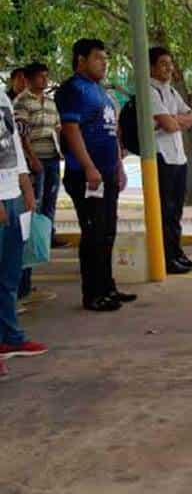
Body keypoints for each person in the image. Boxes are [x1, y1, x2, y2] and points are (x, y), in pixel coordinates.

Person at [56, 39, 136, 312]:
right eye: (98, 58)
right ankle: (92, 294)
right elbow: (71, 130)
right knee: (93, 233)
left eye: (105, 59)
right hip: (86, 175)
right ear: (81, 59)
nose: (104, 63)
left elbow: (110, 132)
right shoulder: (73, 89)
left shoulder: (100, 91)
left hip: (108, 173)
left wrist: (118, 165)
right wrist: (89, 166)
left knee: (107, 232)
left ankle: (107, 286)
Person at [0, 89, 48, 362]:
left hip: (13, 194)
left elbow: (13, 141)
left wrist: (25, 184)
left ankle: (10, 337)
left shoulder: (2, 96)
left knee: (9, 276)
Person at [148, 46, 192, 275]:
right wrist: (174, 121)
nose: (169, 68)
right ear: (151, 67)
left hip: (178, 157)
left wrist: (172, 120)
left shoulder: (170, 91)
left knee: (176, 211)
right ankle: (167, 257)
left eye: (170, 63)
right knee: (165, 211)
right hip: (162, 157)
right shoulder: (150, 92)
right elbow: (172, 125)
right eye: (163, 63)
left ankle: (177, 253)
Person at [13, 62, 62, 306]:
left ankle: (28, 283)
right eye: (40, 77)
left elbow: (58, 129)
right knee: (30, 219)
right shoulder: (22, 102)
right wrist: (32, 159)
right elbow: (20, 134)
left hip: (52, 159)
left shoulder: (51, 103)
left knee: (45, 217)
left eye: (46, 76)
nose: (44, 80)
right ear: (29, 79)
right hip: (34, 164)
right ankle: (20, 287)